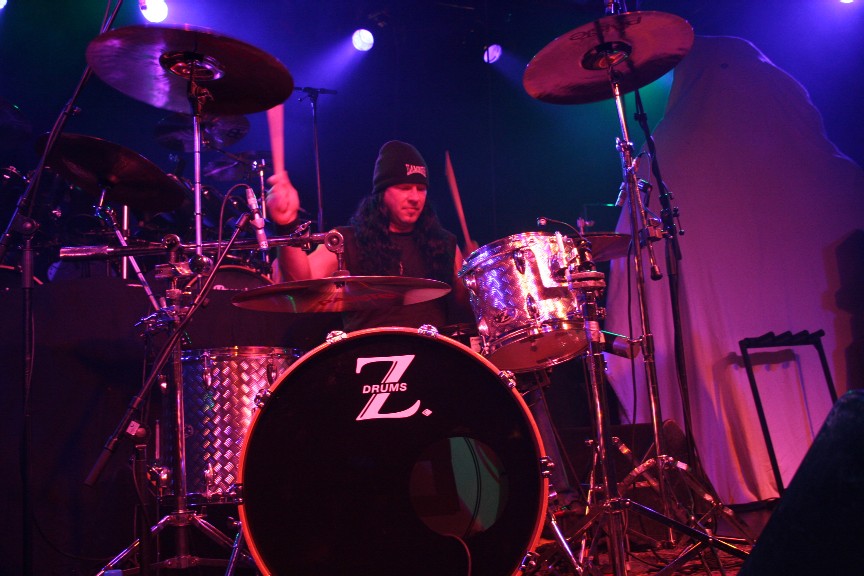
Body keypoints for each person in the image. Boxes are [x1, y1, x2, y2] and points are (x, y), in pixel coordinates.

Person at [265, 136, 473, 332]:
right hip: (367, 352)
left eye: (421, 188)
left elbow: (467, 307)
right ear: (382, 192)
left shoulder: (443, 244)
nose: (415, 197)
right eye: (404, 187)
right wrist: (287, 225)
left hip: (432, 351)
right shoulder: (346, 241)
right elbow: (302, 280)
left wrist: (475, 276)